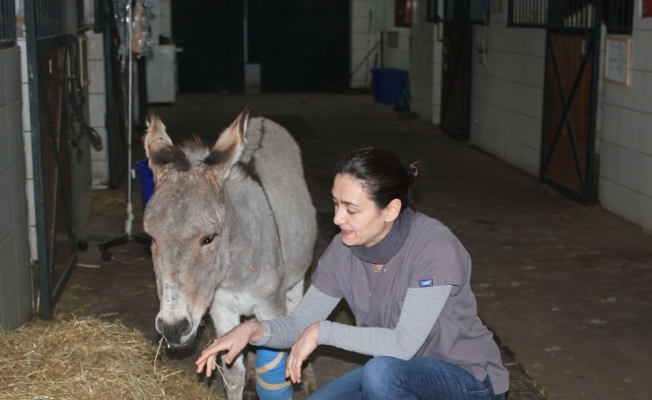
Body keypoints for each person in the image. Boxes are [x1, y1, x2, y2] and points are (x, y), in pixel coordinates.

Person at [196, 147, 509, 400]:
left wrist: (325, 331)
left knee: (381, 373)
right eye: (335, 203)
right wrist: (251, 331)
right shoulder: (342, 250)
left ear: (391, 210)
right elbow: (300, 324)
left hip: (467, 380)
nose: (337, 218)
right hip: (399, 372)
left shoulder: (433, 247)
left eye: (351, 209)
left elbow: (403, 345)